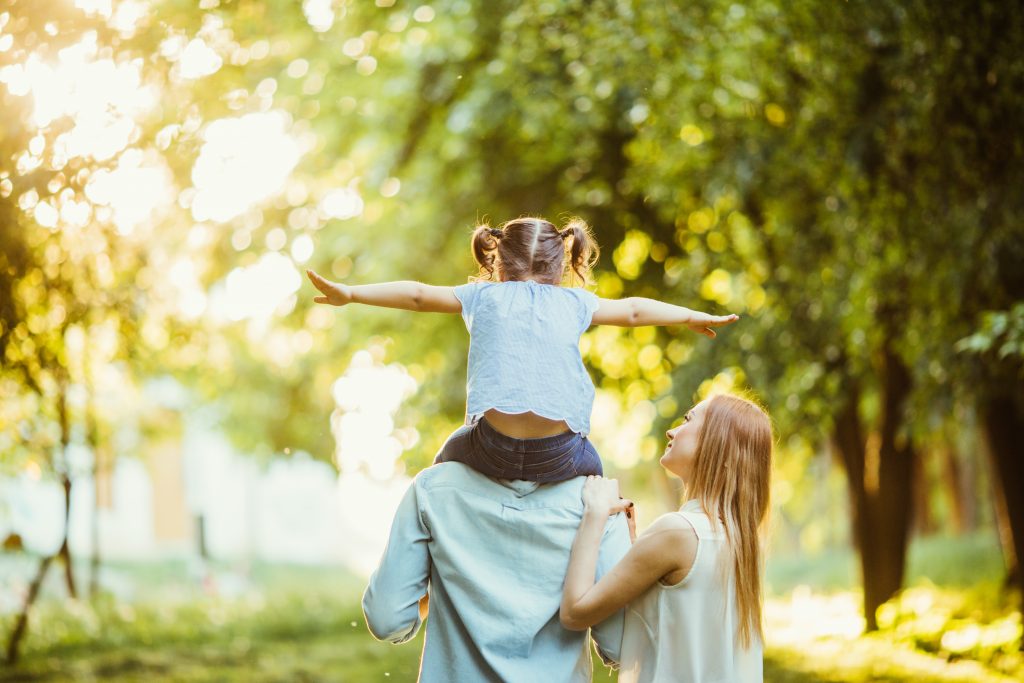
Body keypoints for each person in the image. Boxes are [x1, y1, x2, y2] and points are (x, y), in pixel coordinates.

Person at [307, 216, 738, 483]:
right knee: (598, 488)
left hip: (488, 446)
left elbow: (417, 295)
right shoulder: (576, 301)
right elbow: (634, 312)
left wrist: (351, 292)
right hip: (563, 456)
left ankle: (424, 576)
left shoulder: (481, 297)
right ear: (564, 264)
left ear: (495, 260)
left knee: (436, 477)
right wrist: (690, 315)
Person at [560, 393, 773, 683]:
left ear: (719, 445)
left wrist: (594, 515)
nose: (671, 430)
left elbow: (574, 613)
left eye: (688, 420)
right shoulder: (740, 543)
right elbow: (674, 631)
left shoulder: (678, 533)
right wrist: (636, 545)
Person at [361, 461, 633, 681]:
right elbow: (621, 644)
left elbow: (387, 620)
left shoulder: (433, 488)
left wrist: (442, 581)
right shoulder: (600, 502)